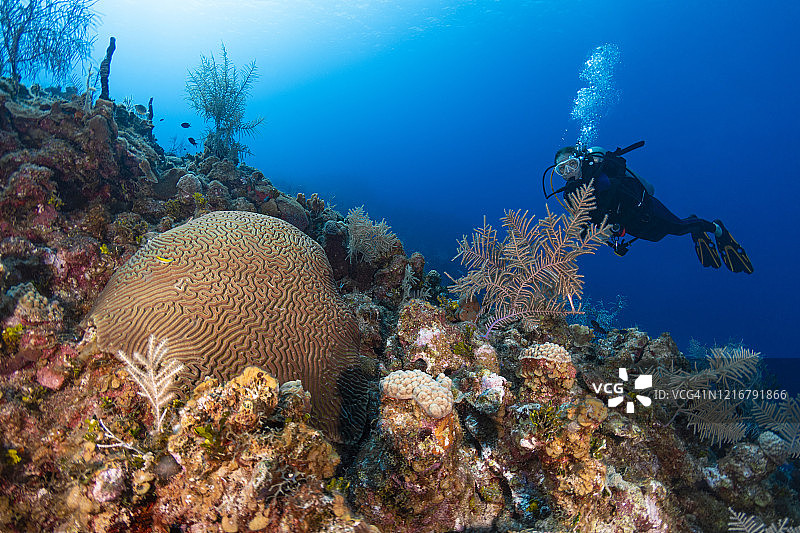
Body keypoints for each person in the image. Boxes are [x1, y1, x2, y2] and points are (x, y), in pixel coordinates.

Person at [545, 142, 753, 273]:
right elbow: (590, 225)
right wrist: (613, 243)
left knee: (679, 228)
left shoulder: (601, 175)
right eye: (562, 170)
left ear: (581, 161)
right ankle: (696, 226)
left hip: (646, 209)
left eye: (571, 165)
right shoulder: (571, 196)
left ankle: (718, 230)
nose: (568, 172)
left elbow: (613, 198)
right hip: (630, 225)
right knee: (658, 237)